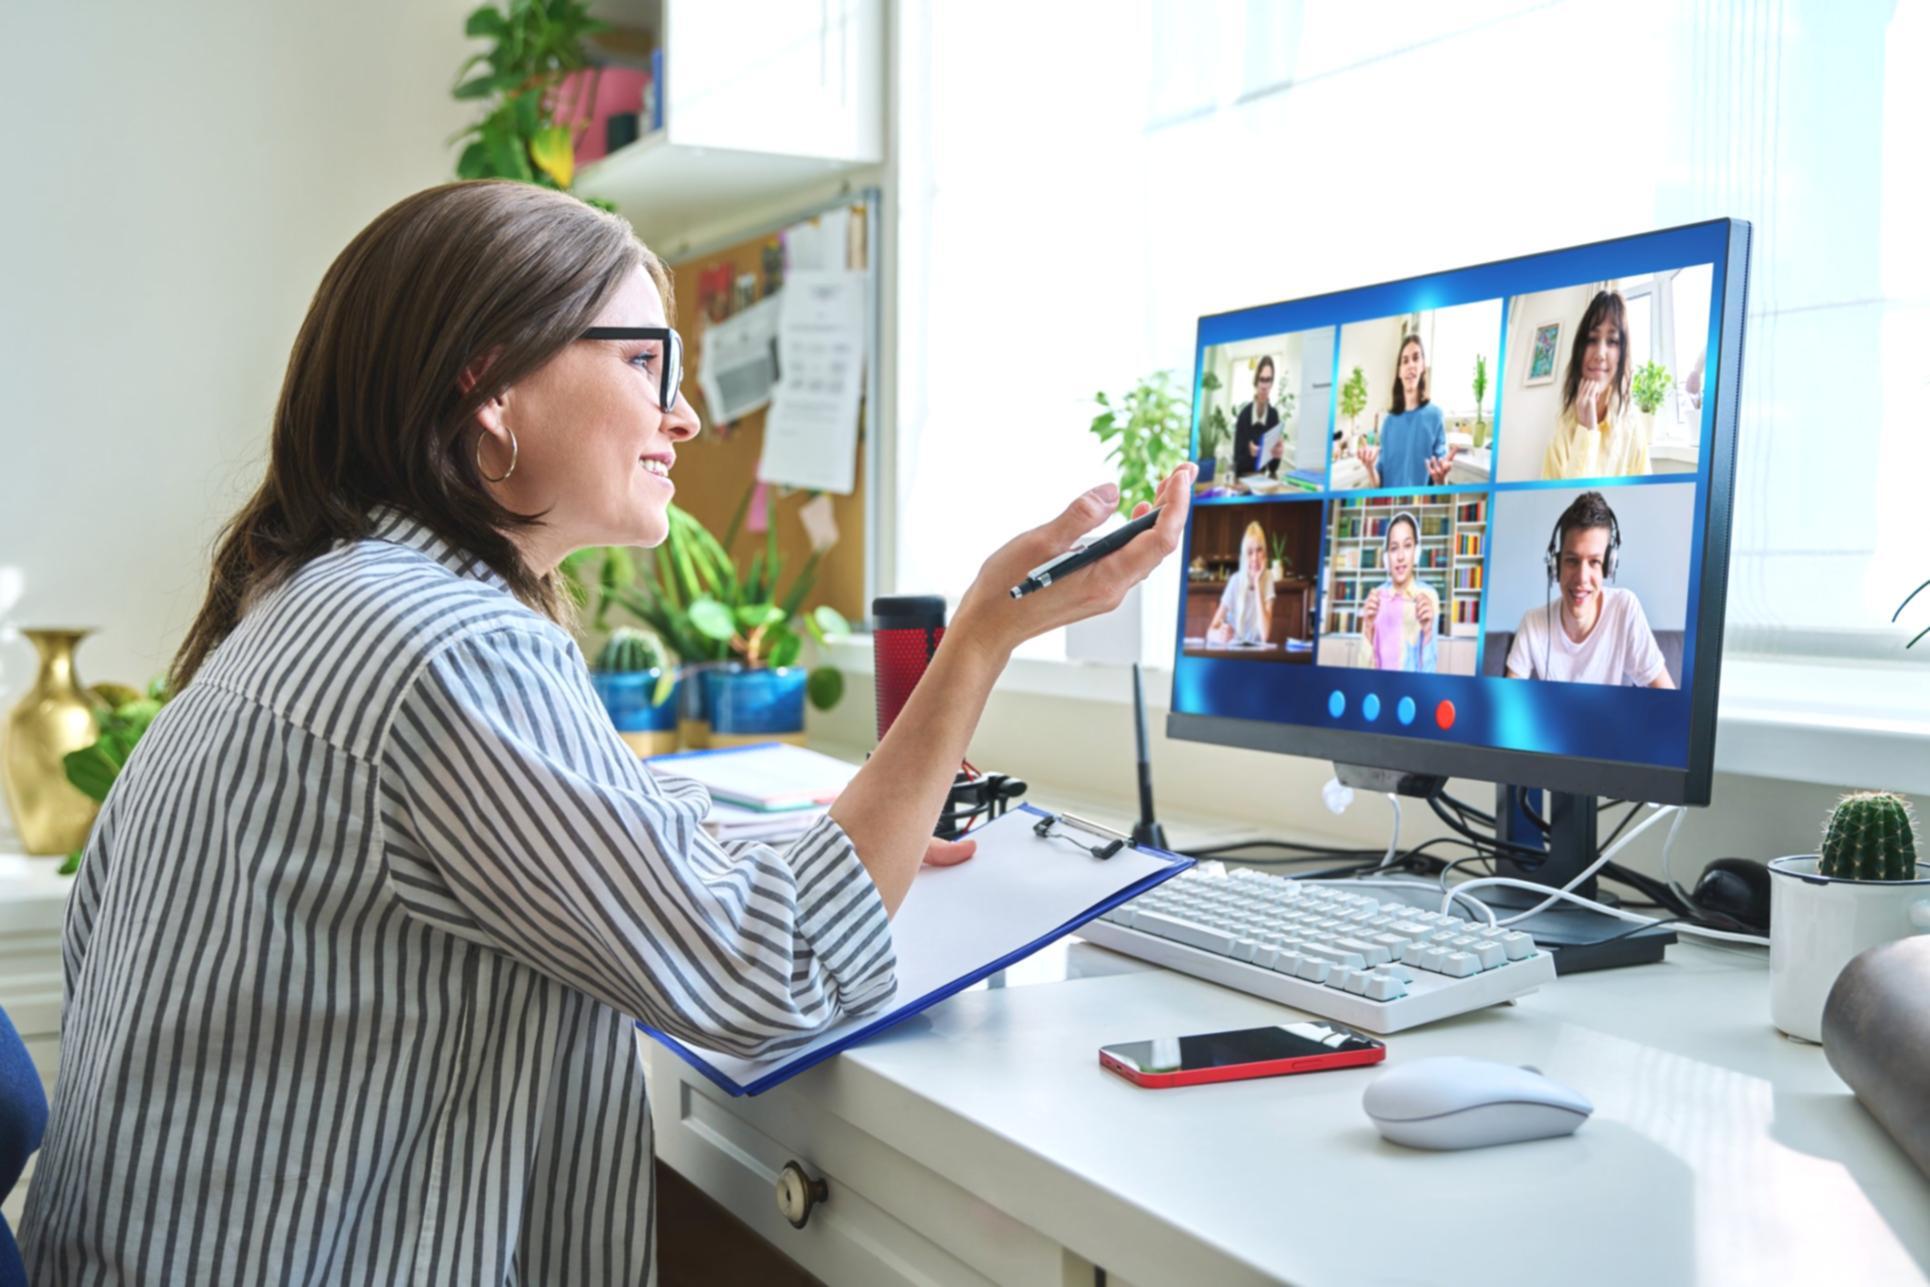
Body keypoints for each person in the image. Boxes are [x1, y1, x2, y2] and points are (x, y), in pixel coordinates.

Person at [17, 181, 1193, 1284]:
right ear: (489, 384)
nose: (683, 414)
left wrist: (832, 831)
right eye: (643, 362)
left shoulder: (323, 600)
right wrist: (977, 641)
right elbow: (771, 973)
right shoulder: (447, 647)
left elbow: (601, 856)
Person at [1506, 490, 1673, 687]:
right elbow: (1506, 702)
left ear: (1608, 566)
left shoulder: (1624, 609)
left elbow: (1667, 696)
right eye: (1572, 561)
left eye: (1594, 562)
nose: (1582, 578)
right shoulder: (1533, 623)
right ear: (1556, 565)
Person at [1541, 290, 1652, 479]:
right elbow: (1569, 506)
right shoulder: (1561, 432)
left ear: (1622, 354)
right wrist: (1587, 431)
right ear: (1579, 350)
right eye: (1592, 340)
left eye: (1612, 341)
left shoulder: (1632, 428)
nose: (1600, 353)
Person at [1357, 334, 1453, 489]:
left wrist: (1441, 480)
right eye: (1405, 360)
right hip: (1390, 511)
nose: (1411, 365)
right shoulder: (1388, 423)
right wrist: (1369, 467)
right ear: (1399, 372)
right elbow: (1378, 483)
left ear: (1423, 366)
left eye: (1416, 358)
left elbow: (1440, 482)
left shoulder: (1435, 416)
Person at [1359, 512, 1438, 671]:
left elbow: (1430, 673)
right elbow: (1362, 671)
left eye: (1407, 546)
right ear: (1386, 557)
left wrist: (1428, 631)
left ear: (1416, 553)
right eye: (1394, 548)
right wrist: (1368, 627)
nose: (1400, 556)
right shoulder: (1376, 598)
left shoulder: (1429, 597)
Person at [1206, 520, 1276, 645]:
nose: (1255, 557)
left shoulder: (1268, 577)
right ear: (1244, 556)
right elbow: (1210, 632)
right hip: (1234, 650)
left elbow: (1265, 635)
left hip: (1256, 654)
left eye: (1259, 550)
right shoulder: (1235, 580)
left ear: (1265, 553)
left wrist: (1257, 583)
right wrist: (1219, 635)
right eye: (1250, 552)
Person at [1230, 356, 1284, 476]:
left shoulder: (1273, 415)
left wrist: (1278, 455)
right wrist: (1250, 453)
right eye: (1261, 379)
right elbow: (1237, 462)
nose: (1264, 386)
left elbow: (1273, 468)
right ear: (1256, 382)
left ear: (1272, 383)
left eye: (1268, 380)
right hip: (1242, 480)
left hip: (1262, 481)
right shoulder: (1243, 415)